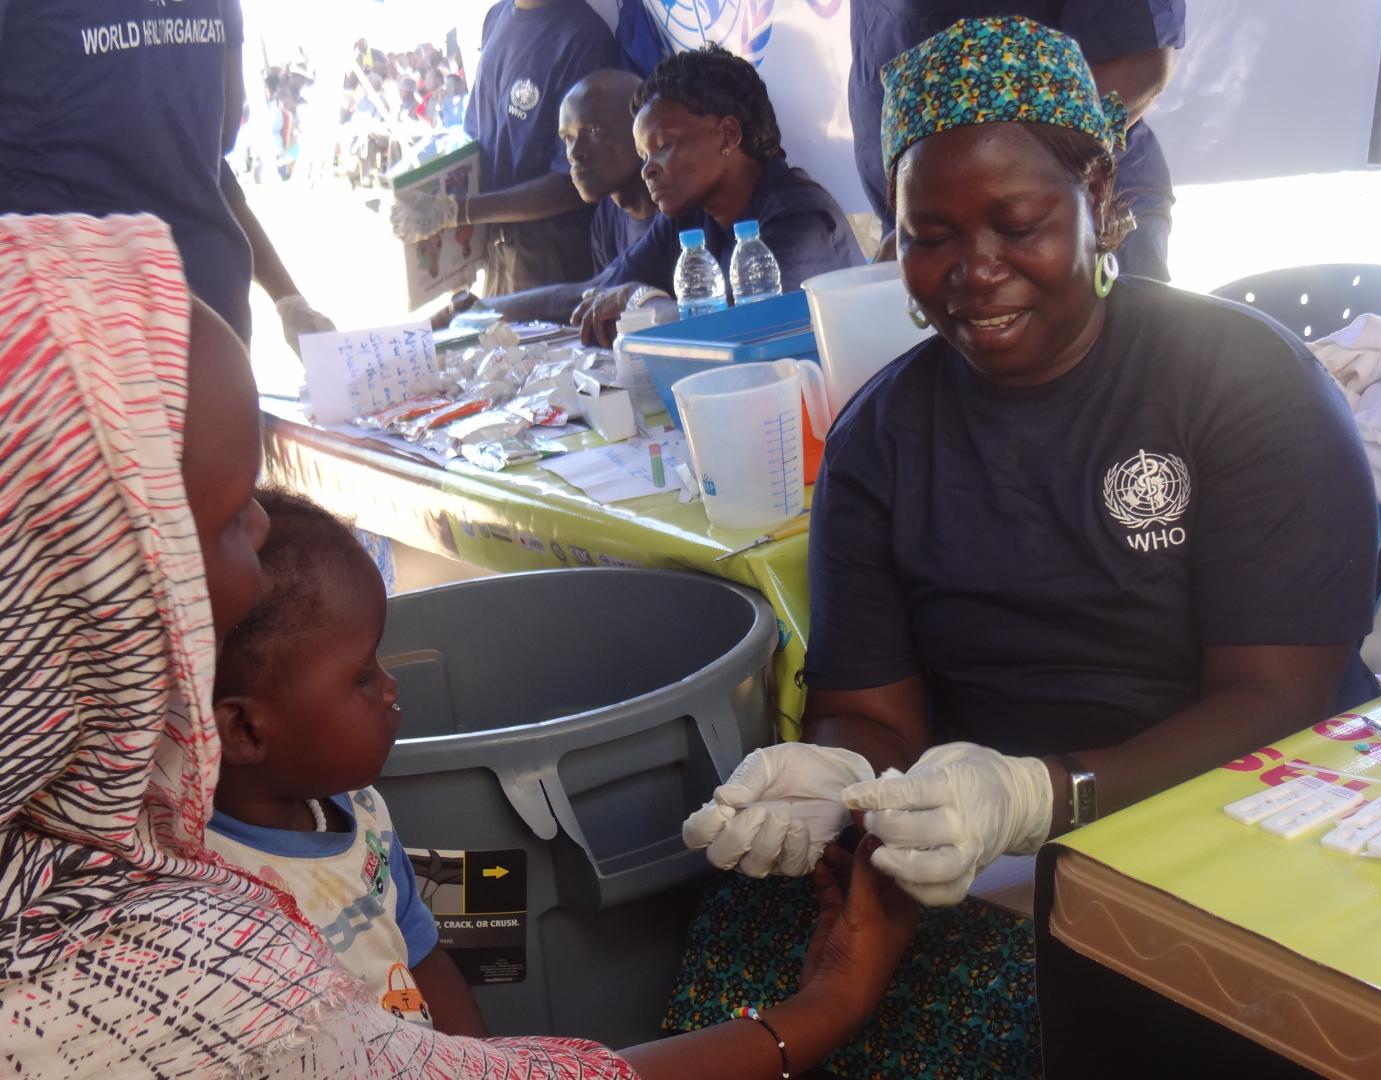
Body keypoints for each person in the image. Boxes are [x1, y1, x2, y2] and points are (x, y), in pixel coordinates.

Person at [0, 211, 917, 1078]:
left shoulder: (105, 821)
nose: (262, 538)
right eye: (229, 520)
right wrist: (827, 1005)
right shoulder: (157, 983)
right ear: (77, 590)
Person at [675, 16, 1380, 1077]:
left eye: (1017, 222)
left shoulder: (1241, 384)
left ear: (1099, 202)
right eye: (932, 235)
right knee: (740, 951)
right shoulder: (881, 440)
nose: (976, 270)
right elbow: (875, 712)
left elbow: (1281, 698)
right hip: (980, 847)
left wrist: (1045, 795)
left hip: (1248, 820)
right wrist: (834, 775)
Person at [206, 487, 488, 1039]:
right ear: (243, 730)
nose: (389, 686)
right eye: (361, 675)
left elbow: (420, 953)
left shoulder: (359, 812)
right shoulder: (210, 883)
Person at [0, 0, 333, 352]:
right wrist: (287, 297)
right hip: (209, 321)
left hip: (72, 327)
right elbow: (211, 147)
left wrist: (288, 297)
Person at [848, 0, 1185, 281]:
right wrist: (919, 221)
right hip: (931, 223)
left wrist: (961, 200)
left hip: (1061, 222)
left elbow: (1142, 59)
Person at [572, 44, 866, 347]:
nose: (647, 170)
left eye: (663, 146)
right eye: (643, 155)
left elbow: (751, 331)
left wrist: (641, 303)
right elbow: (609, 292)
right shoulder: (688, 216)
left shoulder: (802, 216)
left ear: (728, 135)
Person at [390, 0, 620, 296]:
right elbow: (477, 137)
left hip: (550, 259)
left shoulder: (583, 37)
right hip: (492, 246)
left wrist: (458, 212)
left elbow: (573, 184)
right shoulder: (496, 17)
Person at [471, 68, 656, 325]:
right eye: (567, 138)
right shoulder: (607, 215)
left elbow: (594, 292)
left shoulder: (671, 212)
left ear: (640, 129)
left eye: (594, 131)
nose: (574, 153)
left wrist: (472, 312)